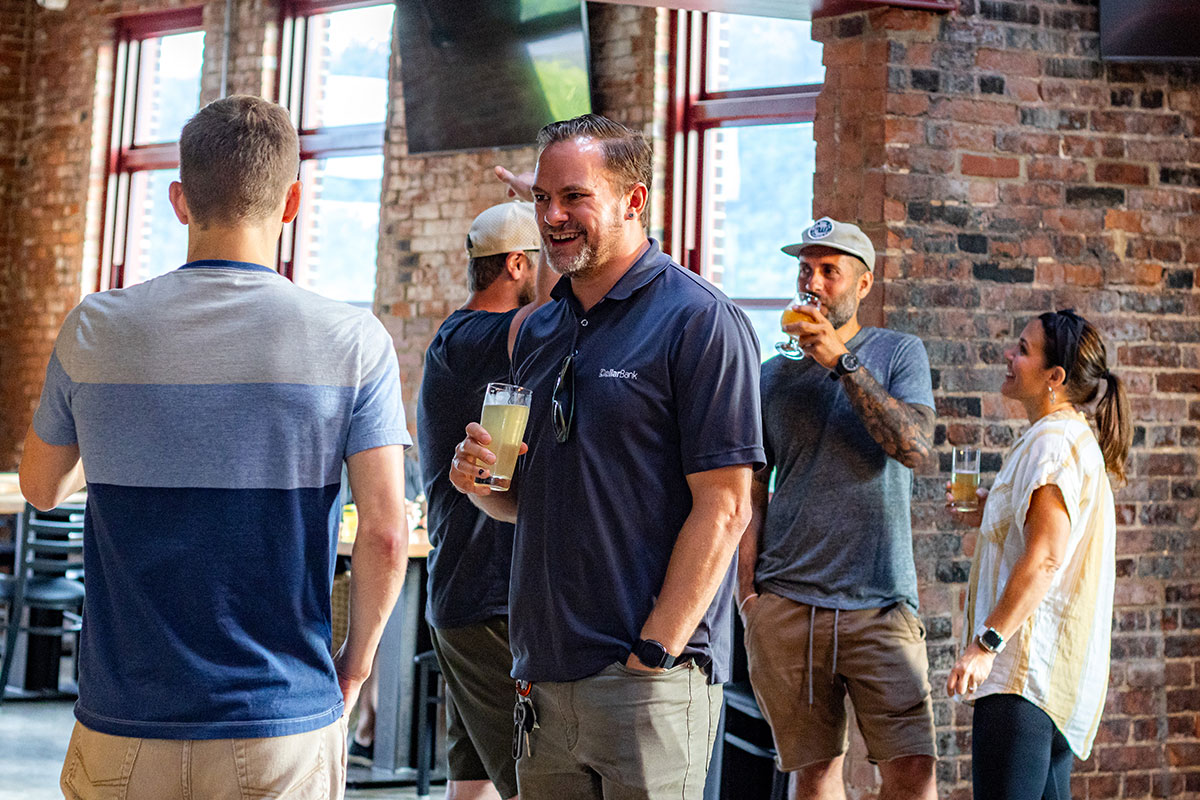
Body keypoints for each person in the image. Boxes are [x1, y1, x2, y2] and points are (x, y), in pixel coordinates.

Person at [18, 95, 410, 800]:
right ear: (293, 203)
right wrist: (352, 670)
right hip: (280, 719)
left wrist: (122, 440)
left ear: (179, 200)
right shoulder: (353, 341)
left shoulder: (95, 327)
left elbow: (41, 488)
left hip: (123, 721)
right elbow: (385, 534)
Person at [448, 113, 764, 800]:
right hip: (542, 677)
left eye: (574, 197)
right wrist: (479, 485)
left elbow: (727, 506)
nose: (552, 216)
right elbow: (525, 502)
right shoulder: (540, 329)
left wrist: (655, 650)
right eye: (542, 198)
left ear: (633, 200)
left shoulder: (700, 320)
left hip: (647, 678)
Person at [737, 217, 938, 800]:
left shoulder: (897, 352)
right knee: (815, 770)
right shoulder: (772, 375)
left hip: (880, 605)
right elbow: (751, 489)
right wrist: (748, 595)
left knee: (913, 770)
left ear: (863, 284)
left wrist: (841, 362)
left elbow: (914, 449)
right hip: (788, 603)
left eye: (830, 270)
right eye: (806, 270)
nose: (813, 282)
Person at [945, 309, 1129, 800]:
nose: (1009, 354)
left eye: (1023, 349)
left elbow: (1046, 557)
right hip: (1044, 684)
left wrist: (985, 645)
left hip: (1022, 679)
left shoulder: (1052, 442)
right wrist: (992, 508)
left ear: (1055, 377)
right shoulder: (1063, 436)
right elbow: (1045, 535)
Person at [416, 198, 549, 800]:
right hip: (484, 602)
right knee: (531, 784)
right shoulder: (481, 337)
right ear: (517, 265)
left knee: (471, 786)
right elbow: (561, 314)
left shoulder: (460, 337)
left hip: (464, 596)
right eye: (547, 259)